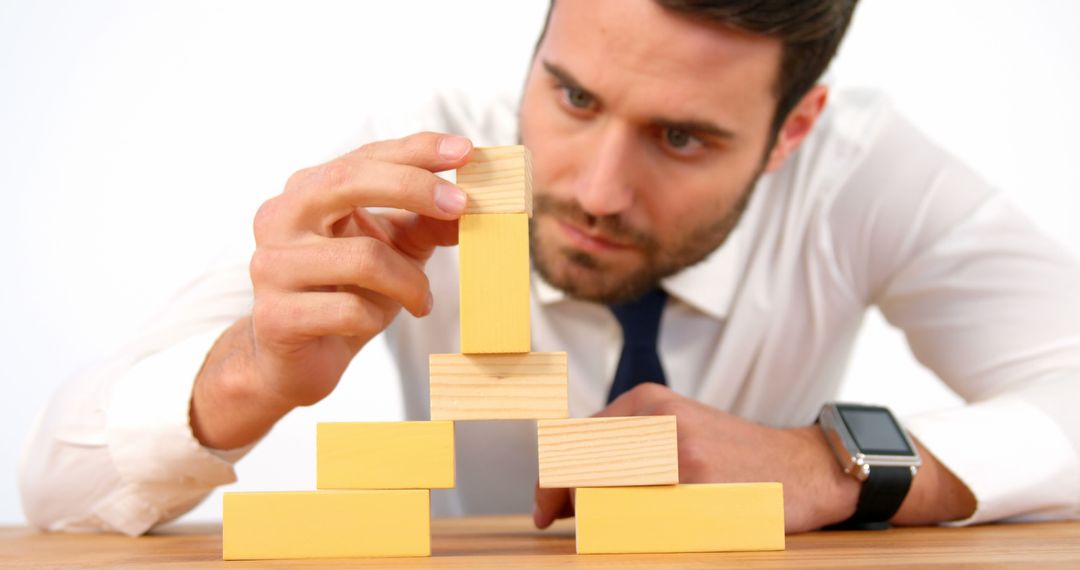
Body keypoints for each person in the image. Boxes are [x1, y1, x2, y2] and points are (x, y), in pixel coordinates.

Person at [19, 0, 1080, 537]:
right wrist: (243, 373)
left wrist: (822, 465)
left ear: (794, 128)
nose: (598, 189)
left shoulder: (865, 176)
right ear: (537, 50)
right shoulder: (418, 161)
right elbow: (55, 497)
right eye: (572, 98)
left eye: (682, 139)